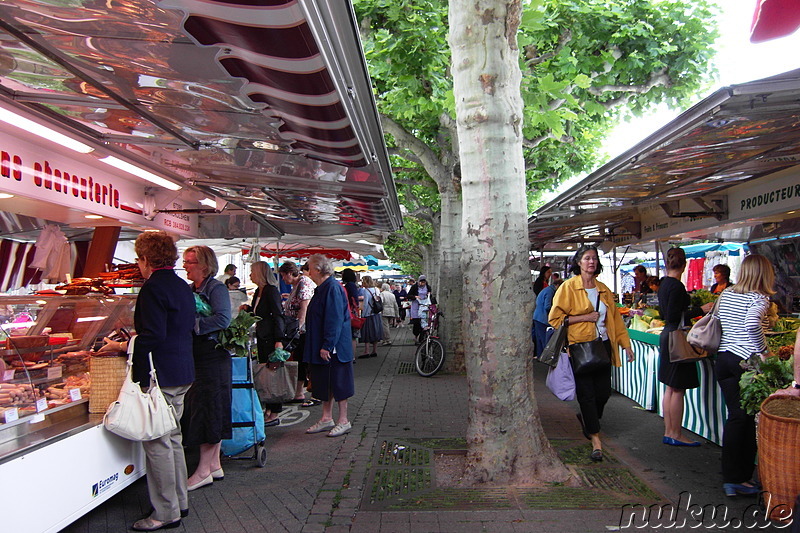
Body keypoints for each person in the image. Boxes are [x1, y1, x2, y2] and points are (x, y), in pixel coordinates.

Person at [100, 231, 195, 531]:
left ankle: (166, 513)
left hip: (161, 375)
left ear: (144, 259)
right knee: (173, 438)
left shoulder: (153, 288)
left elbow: (153, 335)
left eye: (138, 259)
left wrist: (136, 368)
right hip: (182, 371)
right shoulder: (181, 285)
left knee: (158, 444)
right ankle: (180, 501)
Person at [549, 245, 634, 463]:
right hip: (579, 347)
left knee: (603, 393)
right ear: (578, 262)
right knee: (586, 394)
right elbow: (556, 320)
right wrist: (584, 318)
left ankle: (589, 420)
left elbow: (614, 321)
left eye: (594, 258)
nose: (591, 262)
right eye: (587, 258)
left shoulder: (604, 289)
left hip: (603, 346)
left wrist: (625, 345)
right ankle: (595, 440)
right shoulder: (568, 288)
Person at [715, 254, 775, 497]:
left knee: (736, 418)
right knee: (746, 420)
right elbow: (751, 324)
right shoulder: (759, 297)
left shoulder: (727, 293)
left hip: (723, 359)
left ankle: (733, 478)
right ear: (764, 273)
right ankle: (738, 478)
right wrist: (764, 351)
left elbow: (719, 319)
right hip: (744, 362)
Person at [182, 245, 232, 493]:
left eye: (190, 262)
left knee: (208, 409)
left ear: (204, 265)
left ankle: (202, 471)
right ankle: (213, 465)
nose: (185, 266)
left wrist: (194, 325)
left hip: (212, 358)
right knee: (211, 408)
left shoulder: (216, 288)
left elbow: (223, 319)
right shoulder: (193, 289)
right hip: (200, 356)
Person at [303, 254, 354, 437]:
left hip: (335, 347)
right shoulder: (324, 287)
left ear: (317, 270)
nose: (307, 272)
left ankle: (343, 420)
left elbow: (334, 319)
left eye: (308, 268)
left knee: (339, 381)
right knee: (327, 381)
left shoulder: (331, 287)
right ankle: (327, 417)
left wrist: (327, 344)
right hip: (326, 344)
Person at [657, 248, 701, 447]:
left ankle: (669, 431)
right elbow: (675, 316)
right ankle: (675, 433)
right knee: (678, 389)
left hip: (667, 335)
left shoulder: (664, 284)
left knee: (670, 387)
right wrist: (700, 310)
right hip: (677, 337)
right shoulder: (676, 286)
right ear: (684, 265)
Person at [248, 261, 286, 427]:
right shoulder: (259, 291)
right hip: (262, 337)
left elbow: (278, 315)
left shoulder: (271, 291)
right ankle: (269, 409)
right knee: (265, 373)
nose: (250, 275)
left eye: (252, 272)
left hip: (270, 337)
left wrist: (279, 340)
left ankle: (275, 411)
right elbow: (258, 312)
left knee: (273, 374)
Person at [278, 261, 318, 406]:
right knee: (300, 360)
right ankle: (299, 391)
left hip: (304, 330)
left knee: (303, 360)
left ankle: (308, 392)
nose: (283, 279)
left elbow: (304, 308)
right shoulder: (296, 285)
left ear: (289, 273)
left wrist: (298, 328)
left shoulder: (303, 283)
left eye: (283, 276)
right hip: (299, 329)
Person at [532, 278, 563, 358]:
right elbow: (547, 306)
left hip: (537, 316)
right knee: (544, 338)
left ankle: (540, 355)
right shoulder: (550, 292)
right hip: (542, 318)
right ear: (557, 285)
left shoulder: (547, 290)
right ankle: (546, 357)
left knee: (539, 338)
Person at [358, 275, 382, 359]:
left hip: (368, 314)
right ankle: (374, 350)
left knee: (367, 333)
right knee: (375, 332)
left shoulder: (366, 291)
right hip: (377, 314)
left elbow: (365, 304)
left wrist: (363, 315)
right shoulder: (376, 289)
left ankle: (366, 351)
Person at [408, 275, 435, 344]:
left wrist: (429, 295)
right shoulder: (414, 287)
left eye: (423, 282)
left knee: (424, 321)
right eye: (421, 282)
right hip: (416, 306)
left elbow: (430, 295)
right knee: (417, 322)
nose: (422, 284)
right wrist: (415, 296)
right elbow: (408, 295)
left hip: (424, 306)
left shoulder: (428, 287)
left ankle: (422, 337)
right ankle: (416, 336)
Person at [341, 268, 361, 357]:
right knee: (353, 336)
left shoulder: (350, 286)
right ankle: (351, 355)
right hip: (353, 312)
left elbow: (351, 300)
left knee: (351, 335)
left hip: (350, 312)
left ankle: (351, 356)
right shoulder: (353, 285)